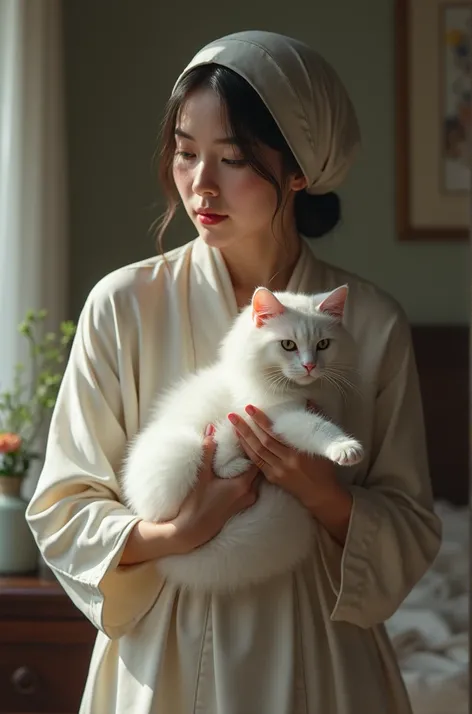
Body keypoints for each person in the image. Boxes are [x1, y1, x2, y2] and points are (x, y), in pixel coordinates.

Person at [26, 30, 442, 714]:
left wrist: (322, 494)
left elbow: (410, 525)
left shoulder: (370, 323)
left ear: (299, 169)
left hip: (319, 655)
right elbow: (64, 502)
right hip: (163, 654)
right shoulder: (123, 306)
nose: (200, 184)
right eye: (186, 154)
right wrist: (177, 534)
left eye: (234, 159)